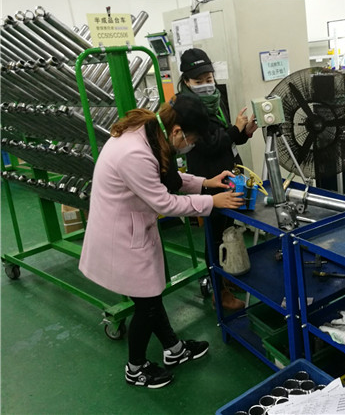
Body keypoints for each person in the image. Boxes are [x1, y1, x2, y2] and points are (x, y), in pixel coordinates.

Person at [79, 95, 244, 388]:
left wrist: (206, 182)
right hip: (120, 236)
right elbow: (165, 202)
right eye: (193, 139)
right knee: (147, 305)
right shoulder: (135, 153)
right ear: (178, 131)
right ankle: (135, 368)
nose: (191, 145)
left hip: (131, 227)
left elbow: (169, 178)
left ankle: (173, 349)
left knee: (151, 298)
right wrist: (212, 201)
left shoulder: (150, 132)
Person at [177, 47, 258, 311]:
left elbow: (225, 138)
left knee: (228, 229)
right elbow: (209, 145)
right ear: (186, 81)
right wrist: (235, 130)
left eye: (209, 78)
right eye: (198, 80)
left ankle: (226, 275)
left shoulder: (215, 98)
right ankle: (218, 290)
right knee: (214, 236)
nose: (206, 84)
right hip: (208, 179)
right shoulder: (187, 108)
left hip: (228, 173)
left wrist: (244, 132)